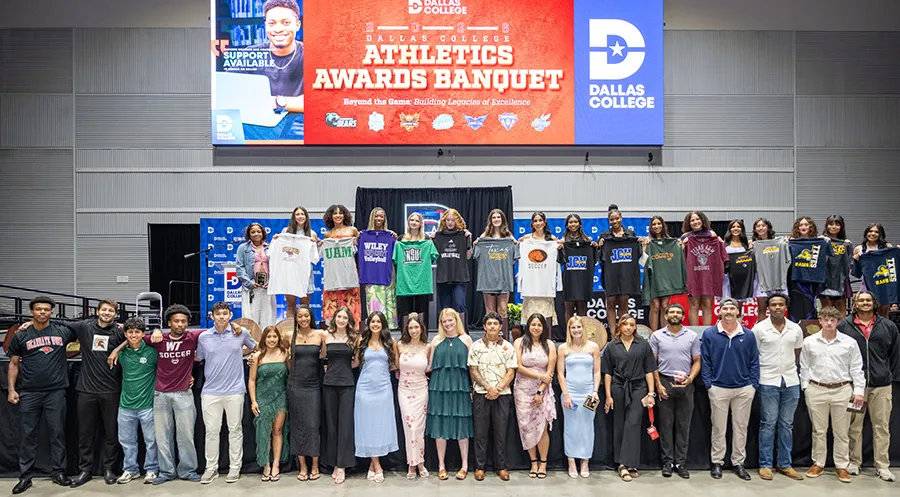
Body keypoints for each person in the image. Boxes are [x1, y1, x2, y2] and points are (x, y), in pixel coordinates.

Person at [41, 299, 124, 487]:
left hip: (111, 390)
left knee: (111, 433)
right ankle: (85, 470)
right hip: (86, 390)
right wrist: (32, 323)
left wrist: (118, 349)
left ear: (115, 314)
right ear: (97, 311)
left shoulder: (119, 331)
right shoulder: (84, 326)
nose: (106, 313)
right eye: (104, 310)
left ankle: (109, 469)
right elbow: (58, 322)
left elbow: (137, 336)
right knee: (85, 434)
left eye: (110, 311)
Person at [7, 297, 77, 494]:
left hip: (56, 391)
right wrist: (12, 389)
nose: (43, 313)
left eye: (47, 310)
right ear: (31, 312)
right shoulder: (21, 335)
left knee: (57, 433)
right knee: (28, 435)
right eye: (39, 309)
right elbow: (13, 363)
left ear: (51, 313)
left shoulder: (62, 331)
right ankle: (25, 476)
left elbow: (84, 326)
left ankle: (59, 472)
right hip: (29, 392)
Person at [837, 291, 900, 481]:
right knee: (854, 426)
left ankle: (882, 466)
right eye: (861, 300)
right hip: (856, 388)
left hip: (881, 387)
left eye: (868, 300)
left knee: (881, 427)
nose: (865, 303)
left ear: (874, 303)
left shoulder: (888, 326)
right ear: (855, 304)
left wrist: (889, 376)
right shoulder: (844, 326)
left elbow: (895, 355)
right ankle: (854, 463)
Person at [800, 306, 866, 483]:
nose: (829, 323)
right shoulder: (809, 342)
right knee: (819, 431)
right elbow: (804, 366)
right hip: (816, 389)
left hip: (842, 390)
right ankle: (818, 463)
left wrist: (858, 392)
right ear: (820, 321)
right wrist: (806, 387)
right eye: (826, 319)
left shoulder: (849, 343)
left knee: (842, 432)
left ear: (838, 322)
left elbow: (857, 369)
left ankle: (841, 466)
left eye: (833, 320)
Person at [197, 302, 257, 484]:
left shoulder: (241, 333)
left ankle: (235, 468)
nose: (222, 316)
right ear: (212, 316)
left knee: (235, 430)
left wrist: (252, 356)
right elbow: (198, 358)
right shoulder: (203, 337)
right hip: (210, 392)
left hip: (235, 391)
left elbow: (255, 347)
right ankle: (211, 469)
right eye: (218, 314)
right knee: (212, 432)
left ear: (230, 315)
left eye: (225, 313)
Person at [701, 297, 759, 481]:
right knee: (718, 428)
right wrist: (709, 384)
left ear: (738, 312)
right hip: (718, 388)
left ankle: (738, 463)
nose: (728, 311)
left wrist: (753, 385)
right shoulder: (710, 334)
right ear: (719, 311)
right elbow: (705, 362)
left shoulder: (748, 334)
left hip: (743, 389)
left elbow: (754, 362)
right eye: (724, 308)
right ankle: (717, 462)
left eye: (732, 308)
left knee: (741, 428)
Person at [751, 294, 804, 480]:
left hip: (791, 381)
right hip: (767, 381)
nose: (777, 307)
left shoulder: (795, 329)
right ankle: (765, 464)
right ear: (768, 308)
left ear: (786, 306)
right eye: (773, 304)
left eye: (781, 304)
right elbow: (753, 355)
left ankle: (784, 464)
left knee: (787, 425)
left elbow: (798, 353)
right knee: (768, 424)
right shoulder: (759, 329)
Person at [603, 315, 657, 482]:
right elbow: (607, 373)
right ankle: (621, 464)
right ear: (619, 326)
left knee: (633, 423)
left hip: (638, 387)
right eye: (624, 324)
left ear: (636, 327)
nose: (628, 327)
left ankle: (630, 462)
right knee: (619, 423)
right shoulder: (612, 346)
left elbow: (649, 370)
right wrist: (607, 396)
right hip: (618, 387)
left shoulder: (643, 345)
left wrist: (651, 393)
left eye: (631, 325)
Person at [650, 303, 700, 479]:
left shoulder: (692, 336)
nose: (675, 314)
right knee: (666, 425)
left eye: (678, 312)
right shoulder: (656, 336)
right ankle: (667, 463)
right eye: (671, 312)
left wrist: (690, 379)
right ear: (665, 316)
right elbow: (652, 363)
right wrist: (658, 385)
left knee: (683, 426)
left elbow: (697, 361)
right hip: (665, 382)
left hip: (686, 384)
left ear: (683, 316)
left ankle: (681, 463)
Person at [468, 312, 517, 481]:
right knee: (480, 433)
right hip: (482, 394)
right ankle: (480, 467)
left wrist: (498, 388)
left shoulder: (508, 347)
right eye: (489, 324)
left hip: (502, 395)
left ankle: (501, 467)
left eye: (495, 324)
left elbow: (511, 371)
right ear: (484, 326)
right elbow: (473, 371)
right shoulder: (476, 346)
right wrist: (488, 387)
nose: (492, 327)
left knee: (500, 432)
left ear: (500, 326)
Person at [426, 308, 474, 480]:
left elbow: (472, 368)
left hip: (460, 388)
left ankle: (465, 465)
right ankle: (441, 466)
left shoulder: (467, 340)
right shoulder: (436, 341)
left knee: (462, 426)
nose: (447, 324)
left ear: (456, 320)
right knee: (440, 426)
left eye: (450, 320)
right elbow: (429, 366)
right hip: (439, 388)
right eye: (444, 321)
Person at [354, 311, 399, 483]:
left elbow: (396, 364)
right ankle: (376, 464)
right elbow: (356, 363)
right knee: (367, 426)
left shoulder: (390, 342)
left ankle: (373, 465)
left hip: (383, 389)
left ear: (383, 325)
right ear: (368, 324)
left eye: (378, 322)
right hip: (364, 389)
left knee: (380, 426)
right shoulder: (361, 342)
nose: (375, 324)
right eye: (372, 321)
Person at [114, 318, 159, 484]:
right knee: (127, 441)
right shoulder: (121, 353)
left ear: (143, 334)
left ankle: (152, 469)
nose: (134, 335)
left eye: (137, 332)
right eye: (130, 332)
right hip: (125, 405)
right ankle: (130, 470)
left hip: (147, 405)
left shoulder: (152, 353)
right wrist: (116, 350)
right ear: (125, 334)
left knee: (151, 441)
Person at [556, 315, 601, 478]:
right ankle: (571, 460)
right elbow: (560, 374)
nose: (576, 330)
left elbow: (597, 371)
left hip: (589, 393)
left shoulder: (593, 347)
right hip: (571, 394)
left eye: (578, 327)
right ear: (569, 330)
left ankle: (585, 461)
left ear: (584, 328)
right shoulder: (563, 348)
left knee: (588, 427)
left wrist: (595, 391)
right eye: (573, 327)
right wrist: (566, 394)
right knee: (571, 428)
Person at [513, 313, 557, 479]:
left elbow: (550, 372)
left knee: (542, 427)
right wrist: (539, 377)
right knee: (526, 426)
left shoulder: (550, 345)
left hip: (542, 390)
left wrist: (540, 389)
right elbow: (518, 366)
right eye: (533, 325)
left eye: (539, 325)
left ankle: (543, 463)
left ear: (543, 327)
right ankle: (533, 462)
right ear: (528, 326)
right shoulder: (519, 343)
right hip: (522, 389)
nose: (536, 328)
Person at [285, 306, 325, 481]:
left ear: (311, 317)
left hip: (313, 386)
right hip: (295, 386)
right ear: (296, 319)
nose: (303, 319)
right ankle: (302, 466)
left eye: (306, 316)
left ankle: (315, 465)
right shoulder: (289, 336)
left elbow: (325, 356)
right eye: (300, 316)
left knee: (312, 425)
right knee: (297, 426)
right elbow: (283, 357)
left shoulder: (320, 335)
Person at [321, 306, 360, 484]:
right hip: (329, 384)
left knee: (345, 425)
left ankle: (342, 465)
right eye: (339, 317)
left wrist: (342, 370)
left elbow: (356, 362)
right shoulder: (326, 336)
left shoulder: (354, 338)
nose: (341, 320)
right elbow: (323, 356)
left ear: (348, 320)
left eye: (345, 317)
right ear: (334, 318)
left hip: (347, 385)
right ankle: (333, 463)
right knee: (331, 425)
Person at [246, 0, 304, 113]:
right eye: (272, 23)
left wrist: (277, 102)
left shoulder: (311, 55)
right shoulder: (250, 54)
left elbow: (318, 101)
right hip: (259, 125)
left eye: (286, 23)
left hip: (299, 126)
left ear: (297, 26)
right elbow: (230, 92)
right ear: (265, 26)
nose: (278, 29)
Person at [249, 326, 290, 481]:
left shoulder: (285, 354)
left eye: (275, 337)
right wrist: (253, 401)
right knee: (263, 431)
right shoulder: (257, 357)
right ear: (264, 339)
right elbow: (252, 381)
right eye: (269, 337)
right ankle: (265, 465)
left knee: (277, 430)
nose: (272, 340)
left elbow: (290, 374)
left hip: (280, 397)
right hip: (262, 398)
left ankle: (276, 465)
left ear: (279, 338)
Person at [395, 313, 431, 479]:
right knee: (410, 426)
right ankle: (411, 463)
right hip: (404, 389)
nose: (414, 330)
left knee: (420, 428)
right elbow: (396, 366)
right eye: (410, 327)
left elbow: (429, 368)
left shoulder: (427, 347)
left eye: (416, 327)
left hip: (421, 389)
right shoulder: (400, 345)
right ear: (406, 329)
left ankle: (421, 462)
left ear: (421, 328)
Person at [473, 209, 517, 337]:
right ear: (490, 220)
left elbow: (513, 260)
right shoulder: (484, 238)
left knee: (503, 310)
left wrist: (513, 244)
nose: (496, 219)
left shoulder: (508, 238)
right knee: (490, 311)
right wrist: (477, 243)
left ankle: (503, 338)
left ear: (503, 220)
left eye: (499, 217)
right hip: (488, 279)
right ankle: (490, 337)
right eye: (494, 217)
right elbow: (476, 254)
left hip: (504, 279)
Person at [598, 205, 642, 333]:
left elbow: (638, 255)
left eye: (617, 218)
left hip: (626, 274)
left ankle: (623, 332)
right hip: (610, 274)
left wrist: (639, 243)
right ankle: (613, 333)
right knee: (610, 303)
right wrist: (599, 246)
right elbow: (599, 257)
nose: (615, 221)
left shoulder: (630, 234)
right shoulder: (604, 236)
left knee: (624, 303)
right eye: (612, 219)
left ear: (621, 218)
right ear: (609, 221)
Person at [641, 216, 686, 331]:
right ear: (650, 227)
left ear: (663, 225)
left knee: (665, 306)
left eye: (659, 224)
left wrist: (680, 246)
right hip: (653, 278)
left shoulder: (672, 242)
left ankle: (663, 333)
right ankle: (653, 334)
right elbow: (642, 262)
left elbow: (680, 259)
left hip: (667, 279)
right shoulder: (648, 242)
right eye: (654, 224)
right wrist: (644, 247)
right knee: (655, 306)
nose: (657, 226)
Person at [682, 211, 726, 326]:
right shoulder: (685, 237)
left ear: (702, 220)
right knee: (694, 305)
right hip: (693, 276)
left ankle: (706, 333)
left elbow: (720, 254)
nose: (695, 222)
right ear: (689, 223)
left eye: (697, 219)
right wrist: (682, 245)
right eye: (692, 220)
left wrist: (721, 243)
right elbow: (680, 257)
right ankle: (695, 334)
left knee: (707, 304)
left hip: (709, 275)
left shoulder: (712, 234)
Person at [394, 212, 438, 326]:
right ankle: (405, 339)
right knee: (405, 312)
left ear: (421, 224)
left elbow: (433, 257)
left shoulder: (427, 240)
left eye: (417, 221)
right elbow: (394, 260)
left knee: (422, 312)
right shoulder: (400, 241)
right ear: (408, 223)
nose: (414, 222)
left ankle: (422, 339)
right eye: (412, 220)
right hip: (405, 284)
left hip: (422, 284)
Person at [518, 212, 561, 327]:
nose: (538, 223)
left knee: (546, 320)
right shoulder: (527, 239)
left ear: (545, 222)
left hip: (545, 287)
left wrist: (560, 245)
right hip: (531, 286)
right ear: (532, 223)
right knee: (531, 320)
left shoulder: (552, 239)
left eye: (540, 220)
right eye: (535, 221)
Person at [276, 206, 319, 319]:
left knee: (304, 307)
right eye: (297, 214)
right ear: (294, 217)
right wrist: (277, 239)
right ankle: (290, 332)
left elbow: (314, 256)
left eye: (302, 214)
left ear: (306, 217)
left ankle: (304, 333)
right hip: (290, 272)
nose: (300, 217)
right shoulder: (286, 231)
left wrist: (316, 243)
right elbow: (281, 250)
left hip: (305, 274)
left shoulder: (312, 233)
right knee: (290, 306)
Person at [321, 204, 361, 324]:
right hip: (333, 277)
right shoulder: (327, 235)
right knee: (333, 306)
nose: (338, 216)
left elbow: (361, 248)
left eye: (340, 213)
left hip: (348, 275)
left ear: (345, 215)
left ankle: (352, 332)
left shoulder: (352, 231)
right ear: (330, 216)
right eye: (335, 213)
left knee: (350, 305)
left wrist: (356, 242)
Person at [360, 207, 398, 329]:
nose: (379, 218)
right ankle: (374, 327)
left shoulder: (390, 236)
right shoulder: (363, 235)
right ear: (372, 217)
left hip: (386, 275)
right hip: (370, 276)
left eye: (381, 216)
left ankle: (389, 326)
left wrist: (394, 239)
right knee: (373, 302)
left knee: (387, 301)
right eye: (376, 216)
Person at [434, 209, 473, 323]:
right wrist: (432, 239)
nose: (450, 222)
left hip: (460, 277)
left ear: (457, 221)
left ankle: (462, 334)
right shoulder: (438, 236)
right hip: (443, 277)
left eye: (453, 220)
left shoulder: (463, 235)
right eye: (448, 220)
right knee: (445, 309)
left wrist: (469, 240)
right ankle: (445, 335)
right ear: (444, 221)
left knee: (460, 305)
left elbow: (468, 256)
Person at [235, 222, 276, 328]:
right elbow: (239, 268)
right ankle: (252, 342)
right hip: (251, 288)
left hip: (267, 288)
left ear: (263, 233)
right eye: (253, 232)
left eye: (258, 231)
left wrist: (271, 283)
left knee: (267, 317)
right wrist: (250, 283)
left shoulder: (271, 247)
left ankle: (266, 341)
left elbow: (276, 267)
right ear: (249, 234)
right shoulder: (243, 248)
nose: (256, 234)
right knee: (251, 317)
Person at [558, 214, 596, 324]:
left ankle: (581, 337)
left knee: (582, 310)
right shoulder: (563, 241)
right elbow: (560, 261)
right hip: (569, 280)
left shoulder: (587, 240)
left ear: (579, 224)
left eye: (575, 222)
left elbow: (595, 258)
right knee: (568, 309)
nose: (573, 224)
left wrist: (594, 246)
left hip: (583, 280)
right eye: (570, 222)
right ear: (566, 225)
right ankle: (569, 336)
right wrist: (560, 248)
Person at [852, 224, 894, 316]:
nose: (873, 234)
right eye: (870, 231)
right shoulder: (859, 249)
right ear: (866, 233)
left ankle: (884, 330)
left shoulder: (887, 247)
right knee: (867, 312)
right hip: (867, 286)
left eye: (876, 232)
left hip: (884, 284)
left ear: (880, 234)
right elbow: (857, 273)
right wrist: (856, 261)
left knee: (884, 312)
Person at [752, 217, 788, 321]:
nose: (760, 228)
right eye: (758, 226)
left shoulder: (780, 243)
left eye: (763, 225)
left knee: (778, 310)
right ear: (755, 229)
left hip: (778, 281)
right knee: (762, 309)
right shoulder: (753, 245)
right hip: (761, 281)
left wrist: (785, 242)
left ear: (768, 227)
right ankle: (761, 333)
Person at [821, 215, 853, 315]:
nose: (834, 227)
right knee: (826, 308)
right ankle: (826, 330)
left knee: (841, 309)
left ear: (841, 227)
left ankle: (841, 330)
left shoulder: (846, 244)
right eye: (831, 224)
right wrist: (821, 242)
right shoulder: (821, 240)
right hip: (825, 279)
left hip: (841, 279)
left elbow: (850, 263)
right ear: (827, 226)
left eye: (837, 224)